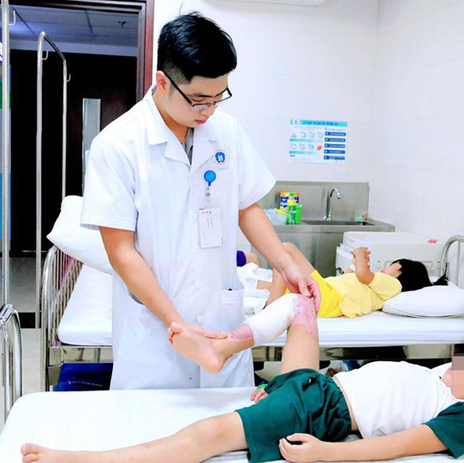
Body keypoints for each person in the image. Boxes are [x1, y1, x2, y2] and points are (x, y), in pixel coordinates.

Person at [80, 13, 319, 389]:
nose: (209, 111)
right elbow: (121, 252)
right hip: (154, 336)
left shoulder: (227, 132)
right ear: (163, 82)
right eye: (199, 101)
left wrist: (286, 264)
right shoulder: (117, 145)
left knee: (231, 420)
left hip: (222, 323)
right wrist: (178, 325)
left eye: (218, 98)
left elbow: (246, 207)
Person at [21, 294, 464, 463]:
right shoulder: (437, 376)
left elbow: (395, 446)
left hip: (318, 412)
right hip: (315, 386)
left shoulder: (461, 414)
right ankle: (224, 345)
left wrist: (325, 453)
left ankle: (80, 459)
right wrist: (287, 383)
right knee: (300, 304)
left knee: (205, 437)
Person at [265, 243, 438, 318]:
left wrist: (360, 253)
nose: (384, 268)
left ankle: (270, 308)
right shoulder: (378, 287)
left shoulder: (393, 284)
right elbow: (349, 278)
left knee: (286, 250)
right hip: (327, 295)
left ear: (399, 269)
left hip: (328, 299)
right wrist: (355, 263)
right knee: (279, 278)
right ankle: (270, 299)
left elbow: (363, 274)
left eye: (390, 265)